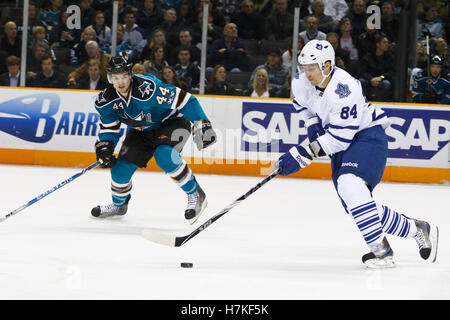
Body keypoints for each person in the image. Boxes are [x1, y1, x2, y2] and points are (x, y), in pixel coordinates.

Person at [275, 39, 439, 268]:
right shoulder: (302, 81)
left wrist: (301, 154)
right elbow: (303, 106)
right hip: (342, 141)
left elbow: (340, 140)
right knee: (357, 203)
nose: (307, 73)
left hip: (367, 136)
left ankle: (381, 251)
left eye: (312, 68)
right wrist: (312, 125)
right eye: (305, 68)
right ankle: (416, 228)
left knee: (350, 184)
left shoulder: (345, 90)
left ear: (327, 66)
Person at [91, 56, 216, 224]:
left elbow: (185, 100)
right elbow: (109, 128)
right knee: (119, 170)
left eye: (124, 77)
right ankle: (119, 205)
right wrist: (105, 146)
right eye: (115, 78)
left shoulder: (148, 89)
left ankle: (196, 194)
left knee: (164, 156)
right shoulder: (106, 100)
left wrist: (201, 122)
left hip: (172, 122)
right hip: (142, 131)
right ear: (109, 78)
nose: (120, 82)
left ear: (130, 75)